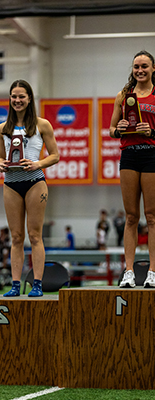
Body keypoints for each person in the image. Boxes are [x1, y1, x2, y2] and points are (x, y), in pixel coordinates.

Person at [109, 50, 155, 288]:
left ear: (153, 69)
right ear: (132, 70)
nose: (140, 70)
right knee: (131, 217)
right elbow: (111, 130)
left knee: (152, 216)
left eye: (144, 66)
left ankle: (152, 271)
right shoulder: (122, 96)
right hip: (128, 156)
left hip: (151, 156)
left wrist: (152, 132)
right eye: (136, 67)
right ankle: (128, 271)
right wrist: (118, 128)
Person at [0, 79, 59, 297]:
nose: (17, 100)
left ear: (29, 98)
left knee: (34, 235)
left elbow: (55, 155)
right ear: (10, 99)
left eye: (21, 96)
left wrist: (38, 163)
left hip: (35, 182)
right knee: (16, 237)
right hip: (11, 184)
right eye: (14, 96)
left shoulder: (42, 125)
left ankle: (37, 284)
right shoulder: (2, 129)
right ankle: (15, 285)